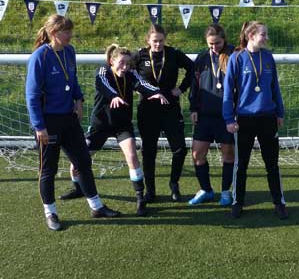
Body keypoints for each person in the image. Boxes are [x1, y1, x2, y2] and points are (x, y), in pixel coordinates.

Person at [25, 14, 120, 231]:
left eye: (70, 31)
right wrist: (39, 126)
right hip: (48, 122)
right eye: (65, 31)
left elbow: (73, 79)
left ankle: (96, 207)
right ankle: (51, 213)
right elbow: (31, 95)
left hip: (69, 118)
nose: (69, 35)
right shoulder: (40, 57)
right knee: (48, 169)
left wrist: (78, 99)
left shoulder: (69, 51)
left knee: (83, 162)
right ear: (53, 33)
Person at [59, 44, 167, 216]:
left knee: (132, 156)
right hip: (100, 126)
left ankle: (140, 199)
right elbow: (104, 86)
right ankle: (78, 188)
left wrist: (156, 92)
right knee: (77, 163)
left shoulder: (131, 74)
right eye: (122, 63)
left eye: (128, 64)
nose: (125, 67)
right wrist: (115, 96)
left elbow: (142, 83)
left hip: (122, 126)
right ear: (111, 61)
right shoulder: (103, 72)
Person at [223, 21, 287, 219]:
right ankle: (238, 202)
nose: (266, 38)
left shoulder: (268, 58)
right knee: (241, 165)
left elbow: (274, 87)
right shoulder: (237, 58)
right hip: (244, 119)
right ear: (251, 35)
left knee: (272, 164)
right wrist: (228, 118)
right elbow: (228, 91)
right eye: (263, 34)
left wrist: (279, 113)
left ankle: (279, 202)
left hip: (268, 117)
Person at [132, 24, 194, 203]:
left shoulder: (173, 54)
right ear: (148, 41)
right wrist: (138, 88)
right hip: (148, 109)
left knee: (180, 148)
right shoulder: (140, 55)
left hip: (170, 108)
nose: (158, 44)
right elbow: (127, 72)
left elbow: (193, 68)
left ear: (164, 40)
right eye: (154, 41)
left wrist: (181, 88)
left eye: (160, 41)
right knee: (149, 151)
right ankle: (150, 191)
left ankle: (174, 184)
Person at [188, 24, 235, 206]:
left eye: (217, 43)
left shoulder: (234, 55)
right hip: (205, 115)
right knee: (197, 154)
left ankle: (226, 192)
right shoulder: (201, 57)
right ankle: (206, 190)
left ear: (224, 39)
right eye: (210, 44)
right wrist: (193, 108)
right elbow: (194, 84)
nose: (214, 47)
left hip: (226, 115)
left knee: (228, 155)